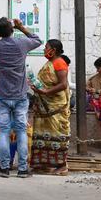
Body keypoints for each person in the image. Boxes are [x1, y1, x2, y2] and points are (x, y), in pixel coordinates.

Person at [0, 18, 42, 178]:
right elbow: (38, 40)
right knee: (21, 131)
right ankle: (22, 169)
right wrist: (21, 27)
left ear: (0, 32)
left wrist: (0, 33)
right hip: (20, 95)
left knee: (4, 131)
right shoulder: (21, 43)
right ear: (12, 30)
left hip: (2, 95)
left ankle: (4, 168)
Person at [29, 40, 71, 176]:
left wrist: (46, 92)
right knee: (42, 135)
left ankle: (62, 166)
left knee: (56, 135)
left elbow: (63, 84)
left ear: (53, 49)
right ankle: (43, 165)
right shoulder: (50, 63)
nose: (44, 50)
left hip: (55, 107)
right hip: (44, 107)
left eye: (46, 47)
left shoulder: (59, 62)